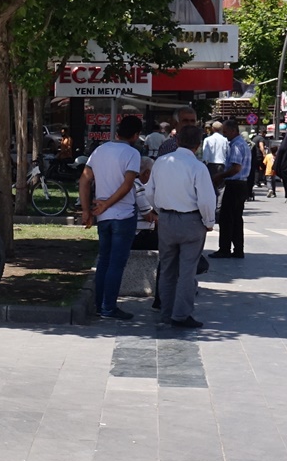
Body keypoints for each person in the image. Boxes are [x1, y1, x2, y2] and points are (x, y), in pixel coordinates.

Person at [147, 125, 216, 329]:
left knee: (167, 267)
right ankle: (181, 314)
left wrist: (158, 209)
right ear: (198, 145)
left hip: (166, 219)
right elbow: (206, 199)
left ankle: (166, 312)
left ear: (176, 141)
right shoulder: (197, 167)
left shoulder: (161, 162)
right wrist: (209, 222)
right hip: (191, 221)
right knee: (187, 270)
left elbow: (149, 191)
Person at [80, 114, 144, 321]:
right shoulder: (132, 153)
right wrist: (108, 203)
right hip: (123, 215)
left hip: (102, 216)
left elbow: (84, 180)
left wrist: (86, 210)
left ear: (117, 131)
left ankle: (100, 305)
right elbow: (127, 186)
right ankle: (108, 307)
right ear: (136, 135)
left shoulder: (99, 150)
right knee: (116, 263)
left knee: (104, 261)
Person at [210, 120, 250, 259]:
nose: (224, 135)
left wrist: (220, 175)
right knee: (236, 218)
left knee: (226, 217)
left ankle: (225, 249)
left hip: (235, 184)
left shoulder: (237, 145)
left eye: (226, 132)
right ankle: (238, 249)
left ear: (233, 130)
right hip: (241, 184)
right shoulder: (241, 143)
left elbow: (236, 167)